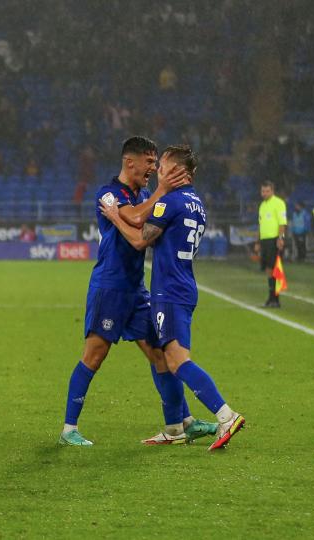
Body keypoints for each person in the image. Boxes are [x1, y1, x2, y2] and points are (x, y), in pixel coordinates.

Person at [59, 136, 217, 447]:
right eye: (149, 162)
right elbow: (131, 219)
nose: (154, 168)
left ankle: (180, 424)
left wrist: (159, 196)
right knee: (94, 355)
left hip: (137, 290)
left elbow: (146, 221)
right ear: (130, 162)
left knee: (159, 353)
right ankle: (68, 429)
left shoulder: (144, 194)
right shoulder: (107, 194)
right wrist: (162, 191)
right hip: (110, 287)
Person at [106, 144, 245, 451]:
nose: (158, 171)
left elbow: (140, 240)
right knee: (165, 358)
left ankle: (226, 414)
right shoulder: (197, 204)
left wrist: (115, 217)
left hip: (169, 291)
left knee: (178, 361)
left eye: (163, 166)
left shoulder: (169, 202)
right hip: (183, 285)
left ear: (176, 171)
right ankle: (174, 428)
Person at [257, 181, 287, 308]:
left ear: (272, 191)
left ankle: (276, 299)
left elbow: (282, 223)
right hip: (264, 241)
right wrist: (258, 242)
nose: (264, 193)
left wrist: (280, 238)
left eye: (267, 191)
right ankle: (271, 298)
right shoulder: (262, 205)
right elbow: (260, 225)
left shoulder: (279, 203)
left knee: (274, 268)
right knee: (268, 269)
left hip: (274, 240)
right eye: (263, 191)